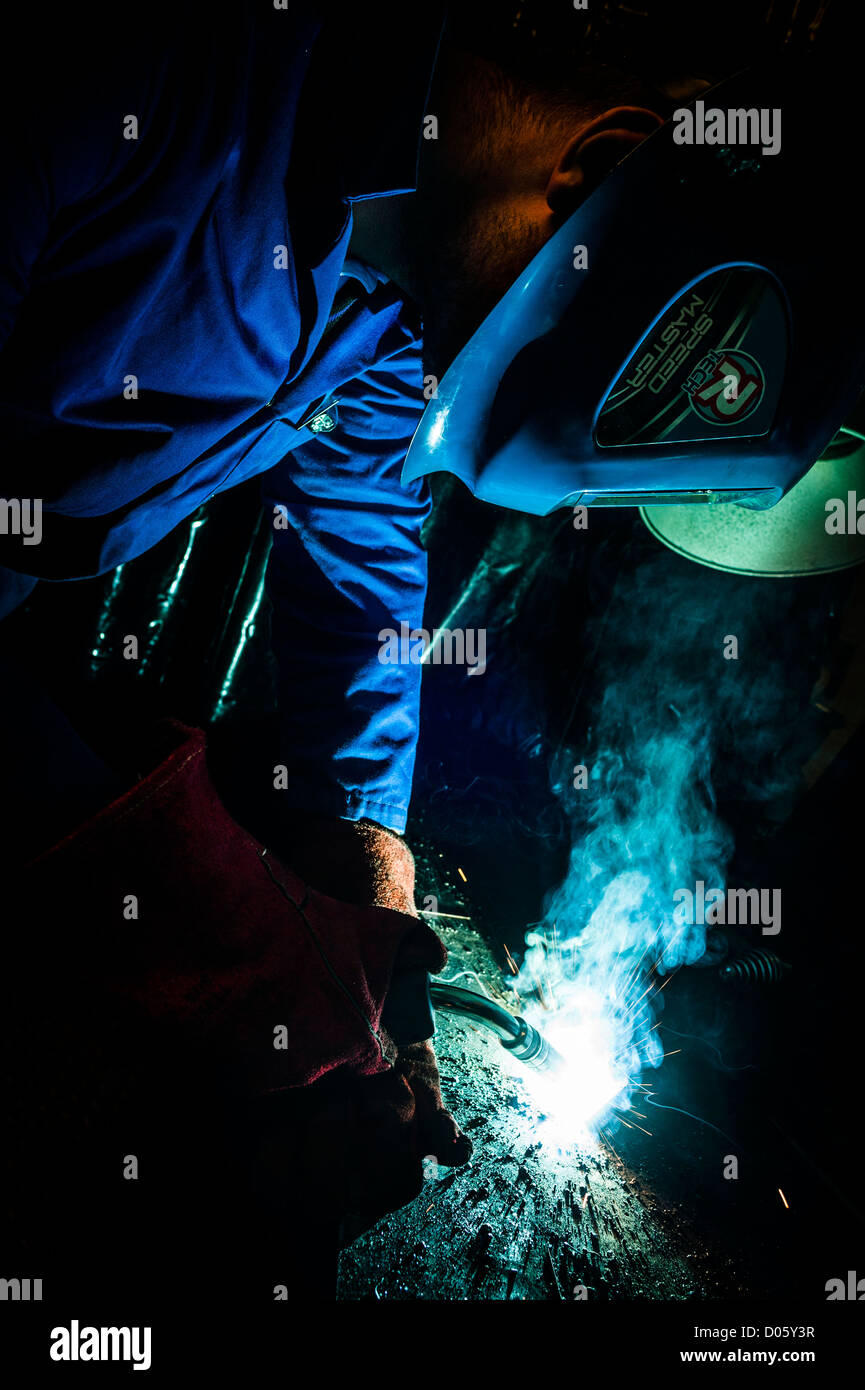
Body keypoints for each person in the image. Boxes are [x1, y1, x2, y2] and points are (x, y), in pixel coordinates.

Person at [0, 1, 773, 1251]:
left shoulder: (384, 317)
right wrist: (211, 935)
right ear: (587, 162)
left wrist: (365, 884)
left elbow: (361, 588)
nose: (433, 379)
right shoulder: (122, 76)